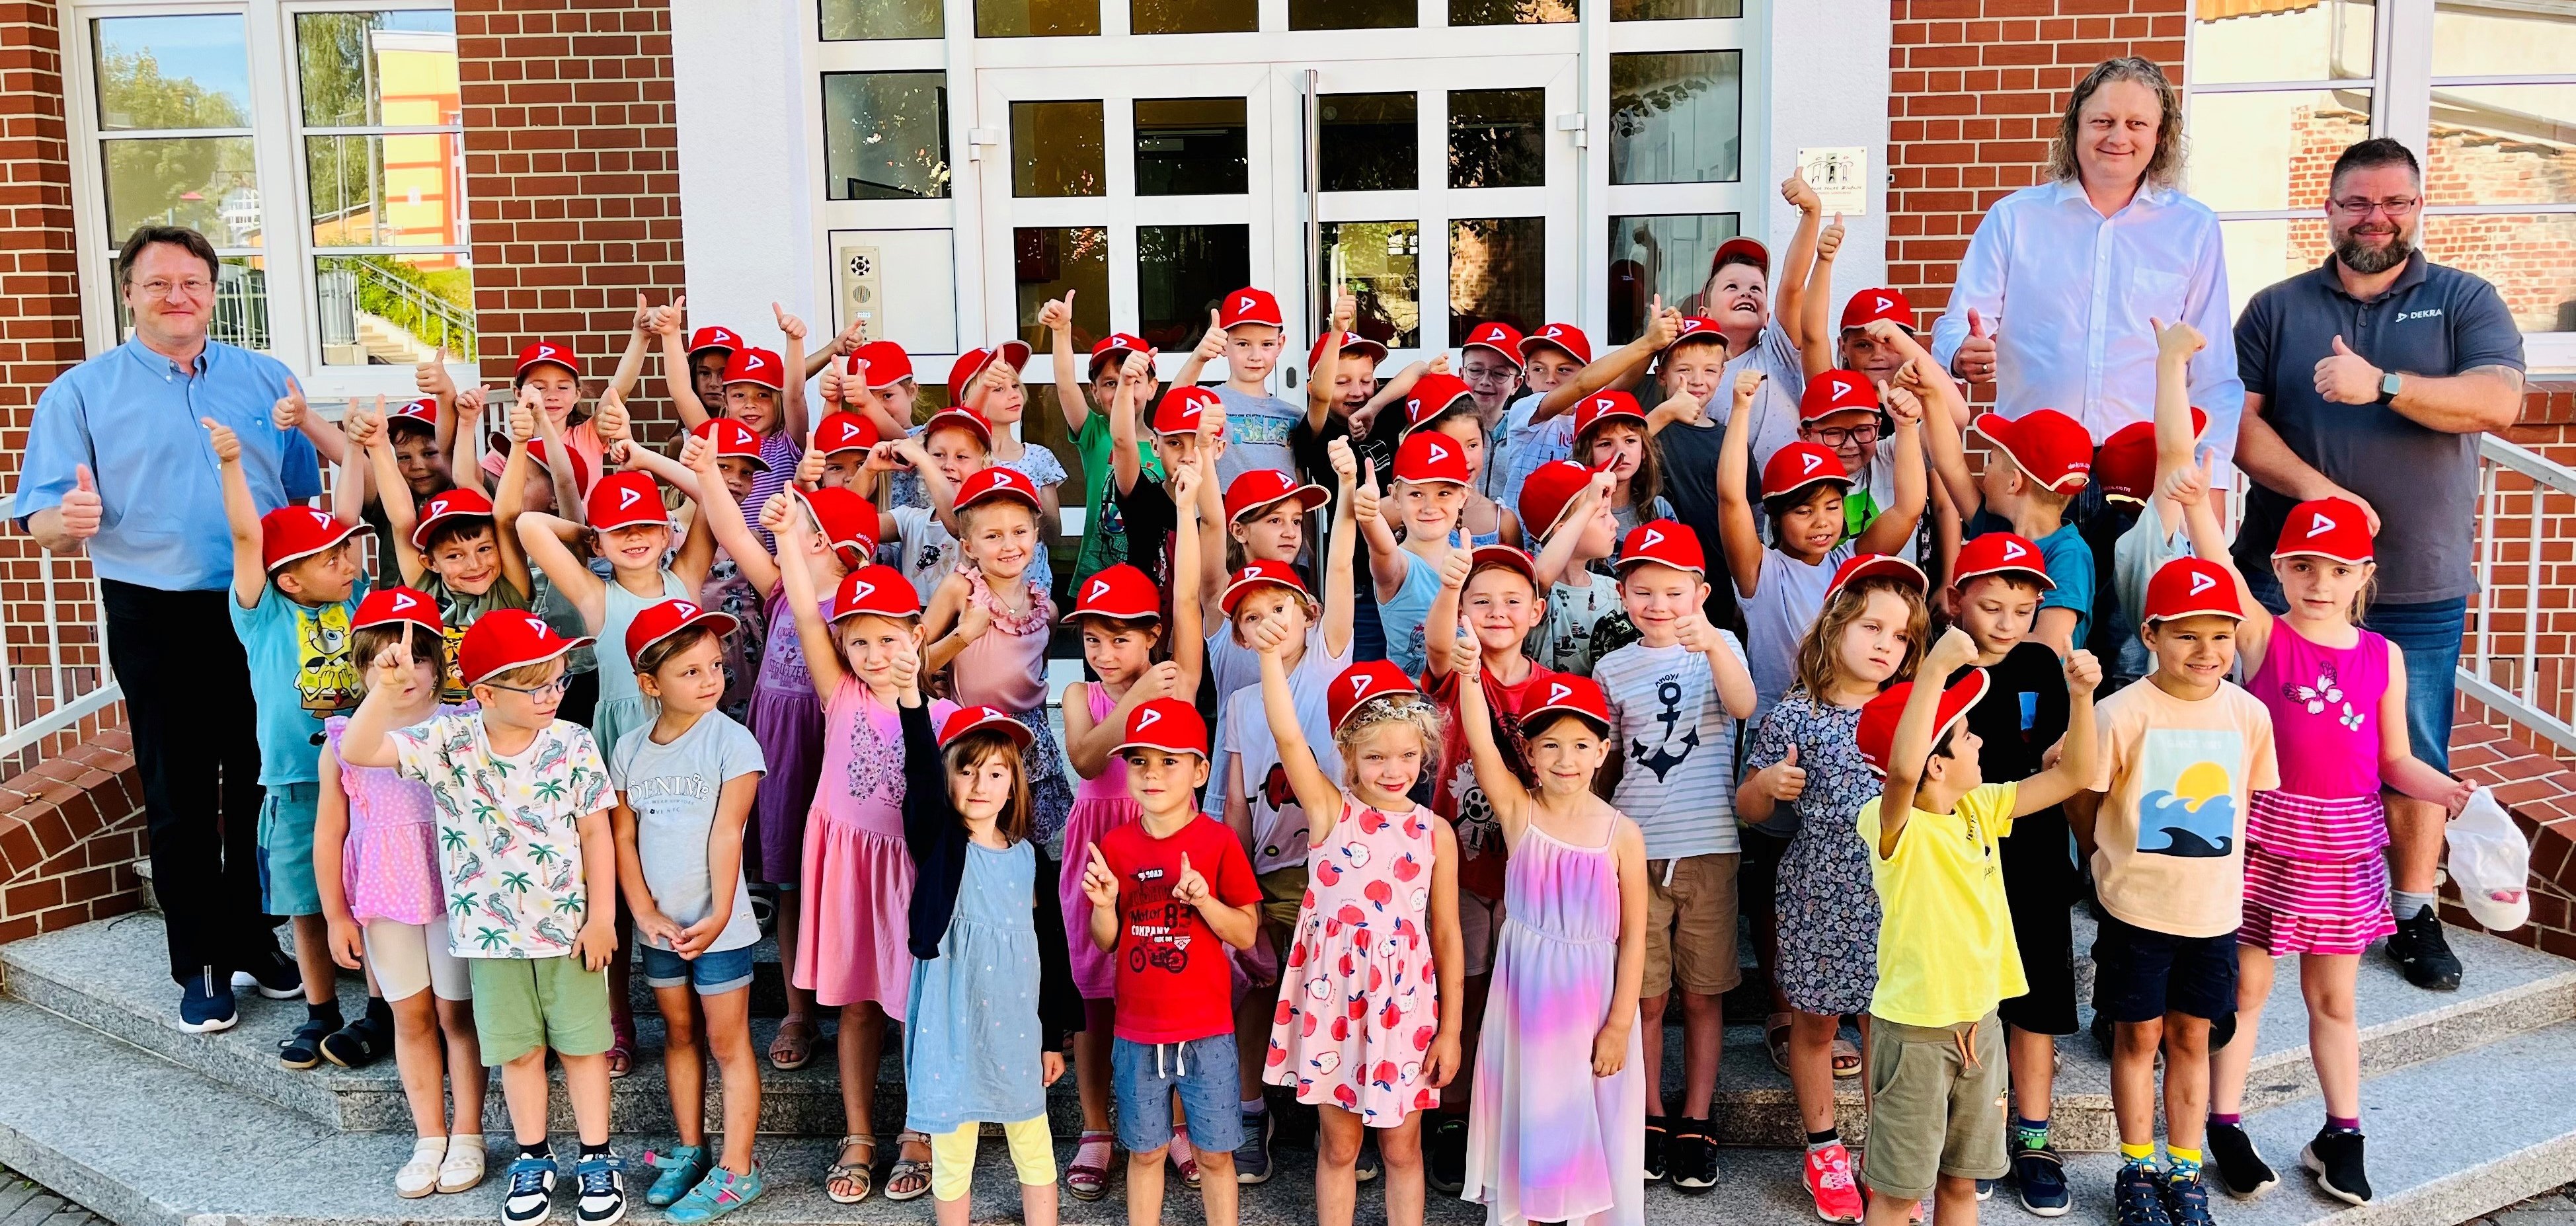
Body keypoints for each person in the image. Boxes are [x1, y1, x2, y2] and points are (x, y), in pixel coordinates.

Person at [2228, 136, 2528, 994]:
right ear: (2328, 209)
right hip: (2285, 579)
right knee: (2262, 734)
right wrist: (2324, 494)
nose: (2376, 217)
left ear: (2417, 207)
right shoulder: (2277, 308)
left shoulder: (2463, 298)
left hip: (2417, 580)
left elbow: (2499, 399)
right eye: (2357, 202)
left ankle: (2412, 908)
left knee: (2411, 746)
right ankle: (2246, 889)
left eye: (2394, 201)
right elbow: (2241, 429)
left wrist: (2383, 384)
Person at [16, 225, 327, 1028]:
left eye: (191, 281)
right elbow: (41, 520)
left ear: (214, 290)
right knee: (181, 789)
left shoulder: (265, 380)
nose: (176, 295)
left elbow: (293, 501)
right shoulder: (80, 394)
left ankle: (254, 939)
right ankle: (202, 964)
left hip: (259, 608)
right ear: (129, 294)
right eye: (158, 283)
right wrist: (65, 519)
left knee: (260, 778)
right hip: (155, 610)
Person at [2175, 487, 2472, 1208]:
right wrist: (2193, 507)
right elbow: (2218, 563)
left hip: (2345, 842)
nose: (2320, 583)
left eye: (2338, 569)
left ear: (2363, 576)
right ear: (2280, 568)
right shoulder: (2263, 637)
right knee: (2245, 989)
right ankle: (2226, 1123)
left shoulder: (2384, 656)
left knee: (2334, 998)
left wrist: (2445, 789)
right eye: (2304, 566)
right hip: (2268, 833)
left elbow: (2394, 759)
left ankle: (2342, 1134)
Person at [338, 609, 627, 1226]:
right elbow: (359, 749)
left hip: (569, 933)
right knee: (518, 1053)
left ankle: (596, 1155)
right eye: (537, 684)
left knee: (582, 1050)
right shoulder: (448, 743)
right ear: (485, 694)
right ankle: (532, 1155)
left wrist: (602, 915)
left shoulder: (572, 741)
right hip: (490, 942)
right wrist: (385, 694)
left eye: (558, 680)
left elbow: (597, 833)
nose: (552, 694)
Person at [1855, 627, 2101, 1226]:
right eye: (1966, 734)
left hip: (1981, 1024)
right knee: (1895, 1195)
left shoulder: (1979, 806)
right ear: (1935, 762)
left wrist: (2081, 698)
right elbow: (1901, 776)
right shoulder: (1894, 826)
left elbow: (2072, 776)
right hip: (1915, 1033)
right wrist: (1935, 671)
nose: (1981, 738)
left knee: (1961, 1184)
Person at [2077, 557, 2280, 1226]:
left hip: (2212, 914)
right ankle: (2137, 1167)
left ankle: (2185, 1171)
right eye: (2187, 635)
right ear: (2151, 634)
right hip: (2137, 909)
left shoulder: (2248, 715)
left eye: (2221, 635)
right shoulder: (2121, 713)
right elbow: (2086, 795)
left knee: (2194, 1037)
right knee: (2138, 1037)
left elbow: (2246, 808)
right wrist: (2100, 861)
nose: (2207, 651)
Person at [1737, 555, 1929, 1224]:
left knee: (1889, 1027)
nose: (1885, 644)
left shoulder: (1912, 710)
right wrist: (1767, 787)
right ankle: (1823, 1148)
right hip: (1820, 889)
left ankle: (1885, 1152)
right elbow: (1748, 806)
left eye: (1902, 636)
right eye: (1873, 626)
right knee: (1815, 1023)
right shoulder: (1799, 713)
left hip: (1899, 892)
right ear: (1836, 626)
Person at [1930, 56, 2245, 462]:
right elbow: (1956, 324)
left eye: (2137, 124)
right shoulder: (2014, 218)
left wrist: (2212, 479)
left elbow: (2213, 371)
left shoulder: (2193, 228)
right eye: (2103, 121)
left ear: (2160, 136)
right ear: (2075, 127)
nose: (2118, 137)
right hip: (2031, 466)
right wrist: (1960, 351)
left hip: (2149, 466)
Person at [1255, 655, 1465, 1226]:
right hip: (1333, 1006)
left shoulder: (1434, 832)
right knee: (1339, 1146)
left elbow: (1445, 933)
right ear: (1347, 755)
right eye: (1374, 756)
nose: (1392, 769)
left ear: (1423, 753)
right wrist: (1269, 658)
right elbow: (1286, 733)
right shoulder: (1330, 812)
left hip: (1403, 1010)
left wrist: (1450, 1029)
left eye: (1405, 755)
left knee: (1402, 1148)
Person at [776, 549, 952, 1204]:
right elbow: (800, 609)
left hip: (906, 875)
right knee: (857, 1006)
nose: (875, 653)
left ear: (917, 634)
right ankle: (858, 1135)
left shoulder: (940, 715)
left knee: (914, 1008)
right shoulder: (840, 693)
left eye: (889, 638)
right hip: (849, 871)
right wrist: (792, 537)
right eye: (859, 640)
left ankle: (917, 1131)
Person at [1592, 520, 1756, 1190]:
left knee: (1703, 994)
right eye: (1643, 590)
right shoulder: (1611, 667)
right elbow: (1603, 762)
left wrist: (1713, 642)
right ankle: (1650, 1112)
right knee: (1647, 995)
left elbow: (1743, 703)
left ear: (1701, 593)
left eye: (1674, 591)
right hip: (1637, 850)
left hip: (1709, 847)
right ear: (1623, 595)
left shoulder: (1723, 648)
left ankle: (1696, 1115)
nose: (1658, 604)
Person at [1452, 669, 1647, 1226]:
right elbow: (1480, 740)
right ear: (1530, 754)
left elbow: (1634, 936)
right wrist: (1469, 675)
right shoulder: (1520, 813)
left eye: (1582, 745)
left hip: (1593, 1008)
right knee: (1535, 1127)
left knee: (1593, 1127)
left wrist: (1617, 1024)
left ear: (1603, 750)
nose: (1567, 759)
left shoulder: (1621, 834)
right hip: (1528, 1009)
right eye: (1551, 745)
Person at [313, 588, 486, 1199]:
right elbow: (330, 831)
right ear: (361, 669)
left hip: (451, 893)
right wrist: (335, 912)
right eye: (383, 661)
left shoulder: (464, 725)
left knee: (455, 1013)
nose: (402, 672)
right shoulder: (343, 739)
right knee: (410, 1016)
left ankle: (468, 1132)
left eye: (415, 657)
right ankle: (429, 1135)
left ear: (438, 661)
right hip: (384, 894)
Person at [212, 416, 371, 1065]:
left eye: (345, 553)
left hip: (366, 775)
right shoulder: (263, 612)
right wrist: (229, 465)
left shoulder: (356, 598)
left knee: (372, 893)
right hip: (296, 779)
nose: (347, 562)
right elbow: (249, 535)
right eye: (329, 557)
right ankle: (320, 1009)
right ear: (288, 579)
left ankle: (383, 1010)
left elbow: (352, 509)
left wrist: (358, 448)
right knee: (307, 901)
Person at [609, 599, 769, 1221]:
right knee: (678, 1032)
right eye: (691, 672)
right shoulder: (628, 749)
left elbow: (729, 831)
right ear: (650, 684)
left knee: (728, 1042)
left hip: (717, 925)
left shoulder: (733, 742)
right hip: (660, 926)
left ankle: (739, 1167)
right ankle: (692, 1149)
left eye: (714, 666)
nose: (710, 681)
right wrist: (642, 912)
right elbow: (623, 836)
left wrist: (721, 912)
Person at [898, 701, 1085, 1226]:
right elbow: (919, 775)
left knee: (1032, 1136)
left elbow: (1050, 950)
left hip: (1016, 1026)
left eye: (996, 772)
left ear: (1013, 786)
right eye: (966, 768)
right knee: (953, 1144)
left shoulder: (1029, 857)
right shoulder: (942, 845)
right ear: (947, 777)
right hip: (952, 1020)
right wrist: (912, 702)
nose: (981, 783)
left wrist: (1052, 1037)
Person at [1079, 698, 1264, 1226]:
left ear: (1200, 770)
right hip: (1136, 1031)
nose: (1152, 773)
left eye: (1168, 760)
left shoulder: (1217, 840)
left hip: (1207, 1031)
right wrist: (1102, 904)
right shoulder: (1114, 844)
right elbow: (1106, 940)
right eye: (1139, 761)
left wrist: (1205, 900)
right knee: (1145, 1152)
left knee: (1214, 1154)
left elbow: (1247, 931)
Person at [1938, 531, 2076, 1216]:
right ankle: (1977, 1128)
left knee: (2039, 995)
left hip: (2036, 845)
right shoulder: (1939, 669)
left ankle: (2034, 1133)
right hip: (1960, 851)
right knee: (1973, 996)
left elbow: (2060, 751)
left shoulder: (2042, 665)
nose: (2006, 623)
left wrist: (2066, 742)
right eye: (1991, 605)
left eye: (2021, 610)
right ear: (1957, 599)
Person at [1058, 563, 1206, 1200]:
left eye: (1121, 638)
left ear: (1153, 635)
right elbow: (1088, 757)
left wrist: (1186, 494)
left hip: (1161, 844)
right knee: (1093, 1000)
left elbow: (1192, 609)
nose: (1103, 653)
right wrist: (1137, 692)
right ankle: (1097, 1127)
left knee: (1164, 989)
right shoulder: (1077, 696)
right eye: (1093, 638)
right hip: (1096, 855)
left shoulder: (1175, 686)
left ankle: (1175, 1124)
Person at [1417, 543, 1557, 1192]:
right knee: (1463, 993)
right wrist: (1449, 591)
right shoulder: (1454, 670)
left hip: (1529, 872)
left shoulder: (1553, 688)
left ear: (1536, 610)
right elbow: (1443, 645)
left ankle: (1515, 1116)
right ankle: (1452, 1111)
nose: (1496, 612)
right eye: (1481, 600)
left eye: (1510, 600)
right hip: (1461, 866)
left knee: (1524, 999)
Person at [1717, 369, 1924, 725]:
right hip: (1776, 725)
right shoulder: (1761, 572)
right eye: (1803, 510)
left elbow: (1908, 509)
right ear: (1776, 516)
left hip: (1848, 723)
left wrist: (1905, 428)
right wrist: (1740, 411)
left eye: (1832, 507)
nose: (1822, 521)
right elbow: (1731, 499)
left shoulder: (1850, 564)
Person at [1360, 432, 1473, 676]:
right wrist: (1370, 518)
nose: (1430, 507)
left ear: (1463, 496)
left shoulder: (1471, 562)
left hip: (1469, 700)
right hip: (1413, 704)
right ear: (1395, 496)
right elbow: (1383, 549)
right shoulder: (1399, 567)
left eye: (1444, 493)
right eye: (1416, 494)